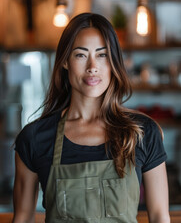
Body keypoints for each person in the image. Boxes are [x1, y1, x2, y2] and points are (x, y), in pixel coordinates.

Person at [13, 13, 170, 223]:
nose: (92, 66)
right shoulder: (34, 138)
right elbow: (23, 218)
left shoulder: (142, 133)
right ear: (65, 62)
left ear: (113, 61)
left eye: (102, 55)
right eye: (80, 55)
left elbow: (160, 216)